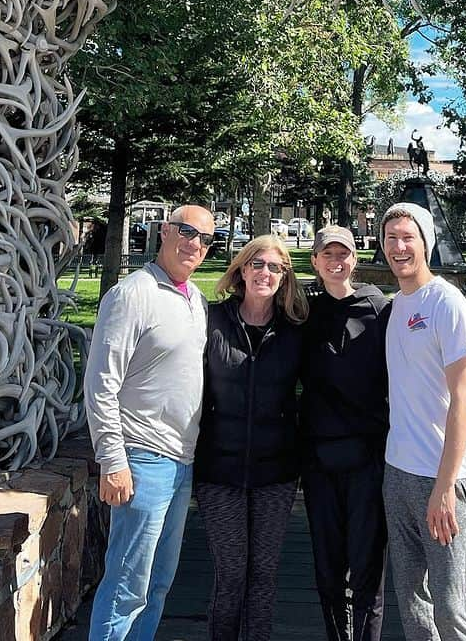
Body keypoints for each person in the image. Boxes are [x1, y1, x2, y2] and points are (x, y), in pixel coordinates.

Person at [84, 204, 216, 641]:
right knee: (126, 587)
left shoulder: (195, 298)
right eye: (185, 231)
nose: (193, 243)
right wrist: (112, 460)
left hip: (182, 463)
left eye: (204, 238)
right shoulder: (132, 294)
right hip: (141, 460)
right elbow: (100, 383)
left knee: (157, 586)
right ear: (164, 231)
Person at [194, 235, 309, 641]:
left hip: (276, 473)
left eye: (275, 268)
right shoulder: (211, 320)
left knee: (263, 575)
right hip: (219, 470)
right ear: (241, 270)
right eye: (257, 264)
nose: (265, 273)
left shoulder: (296, 331)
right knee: (231, 573)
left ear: (284, 277)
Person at [380, 202, 466, 641]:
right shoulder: (395, 307)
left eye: (409, 237)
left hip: (445, 475)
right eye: (391, 238)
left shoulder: (447, 302)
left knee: (450, 600)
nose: (399, 247)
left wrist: (445, 487)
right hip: (398, 470)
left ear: (427, 242)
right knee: (412, 599)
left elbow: (464, 398)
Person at [301, 225, 391, 641]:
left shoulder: (378, 308)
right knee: (328, 567)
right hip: (319, 460)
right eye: (328, 255)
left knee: (368, 567)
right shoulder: (303, 312)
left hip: (367, 458)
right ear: (315, 261)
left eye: (345, 254)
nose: (337, 262)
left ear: (355, 259)